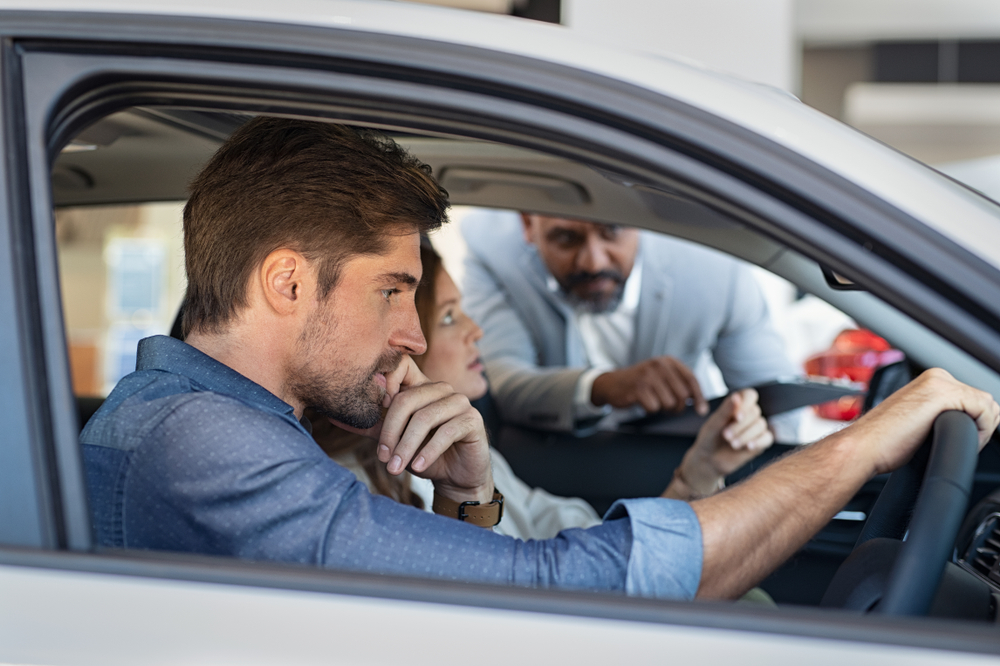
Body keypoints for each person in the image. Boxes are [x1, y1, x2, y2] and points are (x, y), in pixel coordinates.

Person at [80, 116, 999, 603]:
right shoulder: (206, 446)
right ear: (286, 283)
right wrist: (865, 445)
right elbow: (557, 591)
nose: (413, 332)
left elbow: (443, 615)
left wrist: (471, 498)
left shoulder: (228, 427)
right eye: (394, 288)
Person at [313, 243, 774, 539]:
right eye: (451, 316)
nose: (477, 332)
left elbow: (586, 546)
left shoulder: (467, 453)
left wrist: (698, 474)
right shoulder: (340, 492)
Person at [461, 210, 798, 434]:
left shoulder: (715, 267)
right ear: (527, 226)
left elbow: (777, 406)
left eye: (612, 231)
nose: (593, 261)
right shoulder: (492, 251)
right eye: (566, 239)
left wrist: (746, 435)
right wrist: (605, 386)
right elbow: (504, 381)